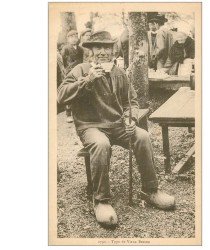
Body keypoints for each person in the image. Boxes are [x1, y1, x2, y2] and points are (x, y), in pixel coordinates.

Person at [57, 30, 175, 228]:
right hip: (91, 126)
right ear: (91, 51)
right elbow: (61, 96)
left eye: (107, 47)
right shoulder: (81, 69)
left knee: (143, 136)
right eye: (98, 47)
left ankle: (150, 190)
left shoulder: (119, 72)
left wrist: (131, 119)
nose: (103, 51)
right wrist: (88, 80)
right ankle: (101, 200)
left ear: (112, 50)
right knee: (101, 144)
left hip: (118, 125)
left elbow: (131, 101)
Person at [61, 30, 85, 123]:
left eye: (76, 37)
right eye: (72, 37)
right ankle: (68, 113)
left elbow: (81, 61)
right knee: (70, 90)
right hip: (70, 72)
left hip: (79, 71)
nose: (74, 39)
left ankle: (79, 112)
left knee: (80, 89)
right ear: (68, 39)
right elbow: (63, 62)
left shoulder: (80, 49)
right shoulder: (65, 49)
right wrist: (67, 72)